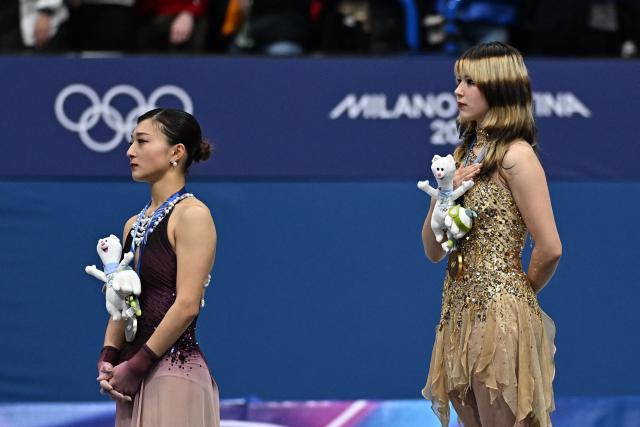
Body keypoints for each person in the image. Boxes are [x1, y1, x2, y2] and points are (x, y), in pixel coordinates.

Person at [420, 42, 561, 427]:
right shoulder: (461, 154)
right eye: (458, 80)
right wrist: (446, 194)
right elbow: (433, 250)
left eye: (470, 82)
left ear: (498, 87)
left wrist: (513, 298)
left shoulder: (516, 156)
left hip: (500, 315)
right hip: (456, 312)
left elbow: (549, 248)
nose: (458, 91)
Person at [95, 108, 220, 427]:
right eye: (131, 141)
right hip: (130, 375)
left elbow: (188, 304)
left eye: (142, 141)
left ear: (176, 152)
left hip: (174, 373)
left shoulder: (192, 216)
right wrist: (109, 355)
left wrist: (138, 365)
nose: (130, 151)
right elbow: (123, 303)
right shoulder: (132, 225)